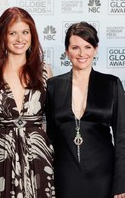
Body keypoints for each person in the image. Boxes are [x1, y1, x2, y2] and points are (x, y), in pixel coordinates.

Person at [0, 7, 55, 197]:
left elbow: (55, 120)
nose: (20, 39)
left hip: (38, 154)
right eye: (12, 33)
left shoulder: (45, 71)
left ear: (32, 35)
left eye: (25, 32)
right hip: (0, 155)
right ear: (2, 36)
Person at [45, 21, 125, 198]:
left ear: (96, 49)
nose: (82, 53)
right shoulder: (53, 86)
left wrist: (121, 184)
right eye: (75, 47)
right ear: (66, 51)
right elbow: (51, 135)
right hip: (66, 176)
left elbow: (122, 137)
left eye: (87, 47)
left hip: (104, 176)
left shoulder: (111, 84)